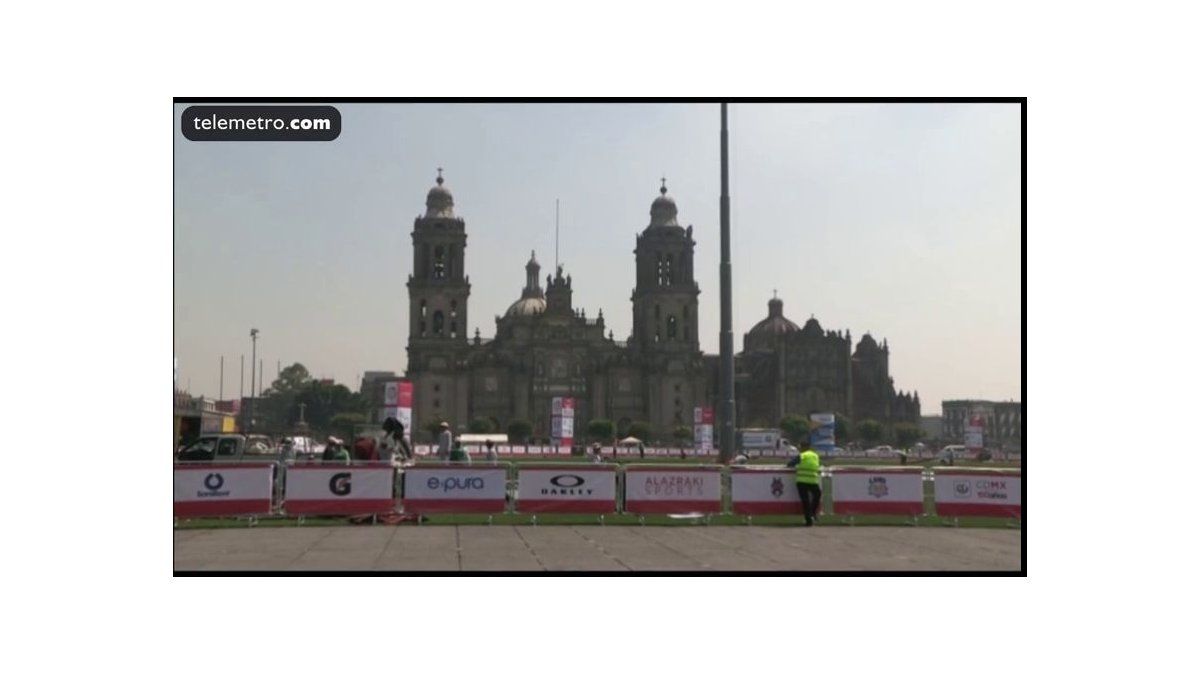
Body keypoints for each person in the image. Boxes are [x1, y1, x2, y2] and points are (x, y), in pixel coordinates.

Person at [787, 436, 822, 526]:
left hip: (802, 481)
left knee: (805, 501)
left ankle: (808, 520)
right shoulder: (815, 455)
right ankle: (813, 513)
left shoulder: (802, 455)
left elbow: (790, 464)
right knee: (817, 496)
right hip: (813, 480)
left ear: (803, 447)